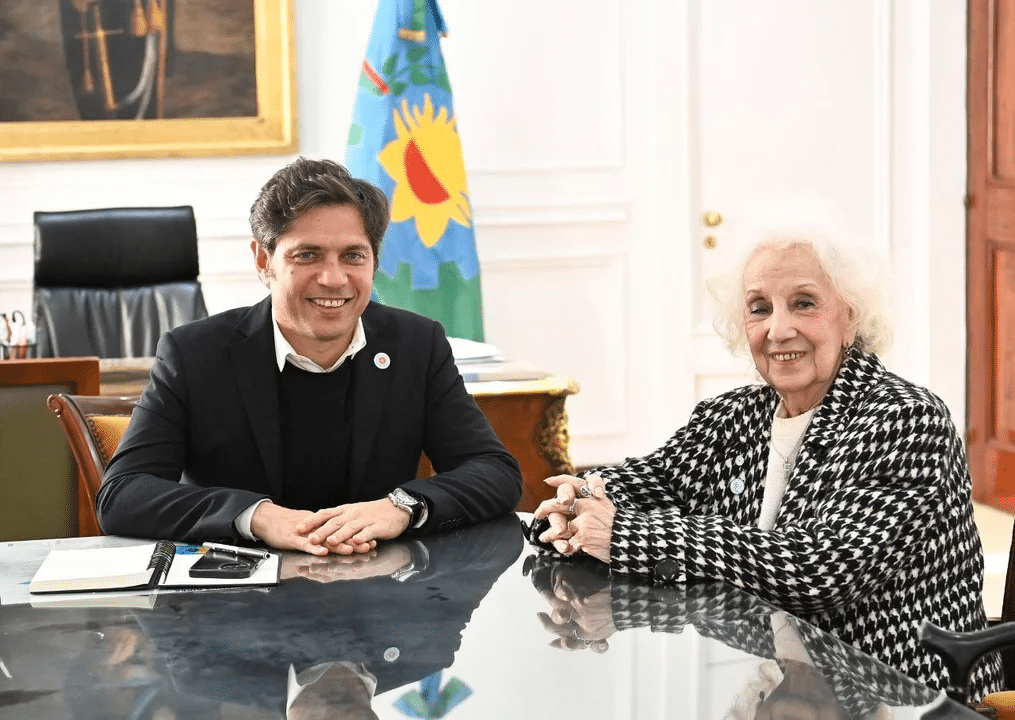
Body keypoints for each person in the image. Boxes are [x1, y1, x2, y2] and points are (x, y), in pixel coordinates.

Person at [529, 221, 1002, 699]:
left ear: (852, 317)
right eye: (760, 308)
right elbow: (652, 482)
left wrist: (627, 534)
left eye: (804, 303)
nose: (779, 329)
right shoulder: (733, 415)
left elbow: (819, 571)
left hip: (900, 694)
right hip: (774, 683)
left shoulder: (906, 419)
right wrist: (580, 501)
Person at [97, 157, 522, 554]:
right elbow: (124, 494)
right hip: (239, 608)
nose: (334, 278)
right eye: (308, 255)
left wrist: (400, 507)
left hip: (381, 605)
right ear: (264, 261)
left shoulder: (414, 343)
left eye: (353, 256)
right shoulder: (195, 354)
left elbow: (494, 471)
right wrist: (257, 517)